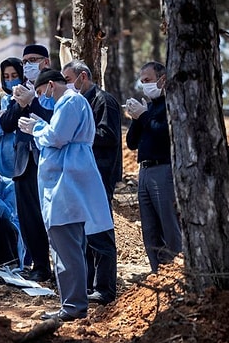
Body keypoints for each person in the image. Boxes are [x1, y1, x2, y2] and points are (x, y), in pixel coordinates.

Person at [18, 69, 114, 321]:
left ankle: (72, 307)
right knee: (68, 247)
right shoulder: (71, 104)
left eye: (41, 93)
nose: (42, 99)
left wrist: (37, 127)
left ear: (50, 85)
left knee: (66, 248)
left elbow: (57, 136)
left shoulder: (71, 101)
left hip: (65, 186)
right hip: (64, 183)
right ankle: (73, 303)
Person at [62, 60, 120, 305]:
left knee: (101, 232)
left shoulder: (103, 101)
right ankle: (87, 285)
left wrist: (78, 133)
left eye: (68, 80)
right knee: (85, 234)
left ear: (82, 76)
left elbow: (108, 135)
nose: (66, 86)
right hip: (84, 176)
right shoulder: (79, 103)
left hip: (100, 175)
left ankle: (105, 289)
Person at [0, 44, 54, 281]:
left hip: (49, 160)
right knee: (29, 217)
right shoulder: (21, 90)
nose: (28, 65)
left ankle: (66, 267)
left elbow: (55, 119)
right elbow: (6, 124)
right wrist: (21, 103)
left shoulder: (54, 87)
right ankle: (40, 266)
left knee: (53, 216)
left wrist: (33, 102)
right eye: (25, 61)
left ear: (46, 62)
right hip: (23, 162)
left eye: (33, 59)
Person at [125, 61, 182, 273]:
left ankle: (178, 269)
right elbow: (131, 143)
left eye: (148, 80)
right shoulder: (148, 108)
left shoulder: (170, 105)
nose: (144, 85)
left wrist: (144, 116)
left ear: (162, 79)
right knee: (149, 228)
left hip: (163, 169)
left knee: (168, 223)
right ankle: (157, 272)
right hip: (145, 171)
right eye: (142, 82)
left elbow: (164, 133)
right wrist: (137, 118)